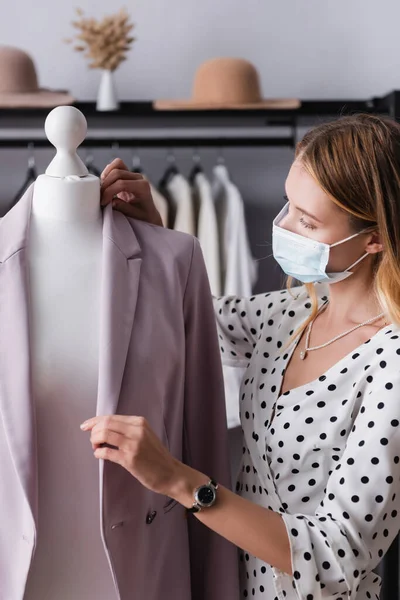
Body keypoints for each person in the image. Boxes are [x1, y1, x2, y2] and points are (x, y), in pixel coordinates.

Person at [81, 114, 400, 600]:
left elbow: (337, 558)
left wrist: (177, 480)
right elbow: (195, 317)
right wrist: (155, 236)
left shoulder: (391, 363)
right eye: (288, 205)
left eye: (307, 221)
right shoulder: (295, 312)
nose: (284, 227)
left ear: (375, 237)